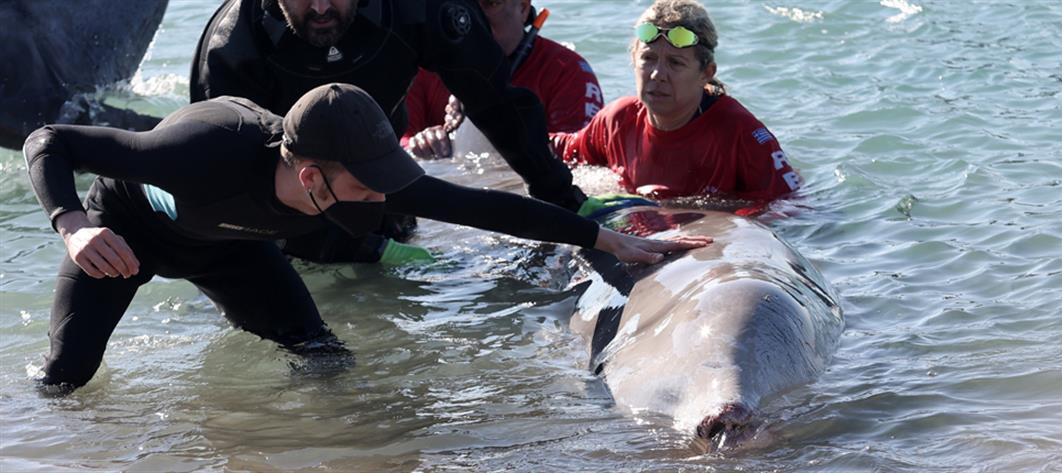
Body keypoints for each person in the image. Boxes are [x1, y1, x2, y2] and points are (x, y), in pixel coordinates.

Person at [22, 83, 710, 393]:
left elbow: (486, 210)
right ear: (313, 173)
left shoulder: (359, 177)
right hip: (127, 235)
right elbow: (49, 141)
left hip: (230, 249)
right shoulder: (194, 149)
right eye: (366, 182)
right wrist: (73, 226)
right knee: (66, 381)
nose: (383, 196)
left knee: (325, 358)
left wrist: (606, 239)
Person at [192, 0, 607, 265]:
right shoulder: (232, 47)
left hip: (383, 190)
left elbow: (497, 105)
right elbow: (234, 189)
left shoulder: (419, 9)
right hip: (279, 219)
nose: (320, 7)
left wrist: (563, 199)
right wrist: (360, 251)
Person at [551, 0, 801, 210]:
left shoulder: (742, 133)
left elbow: (791, 209)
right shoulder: (617, 120)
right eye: (648, 58)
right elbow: (562, 151)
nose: (657, 74)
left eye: (676, 63)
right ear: (632, 60)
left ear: (706, 72)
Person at [402, 0, 604, 159]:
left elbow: (583, 154)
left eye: (491, 3)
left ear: (523, 8)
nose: (475, 17)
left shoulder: (567, 72)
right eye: (467, 3)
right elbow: (388, 140)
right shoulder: (426, 65)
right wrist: (419, 144)